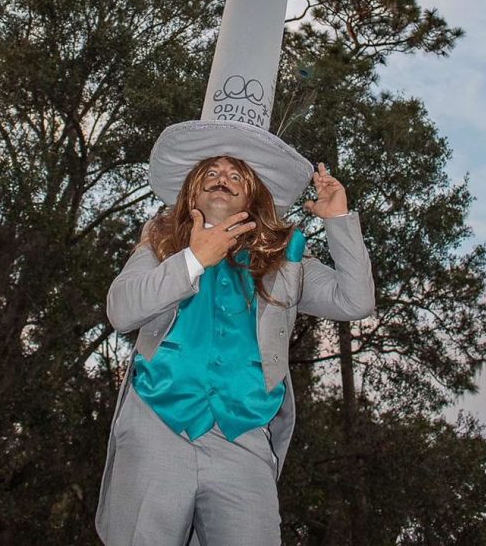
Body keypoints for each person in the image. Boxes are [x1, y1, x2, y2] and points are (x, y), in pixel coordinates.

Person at [95, 153, 375, 546]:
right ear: (193, 191)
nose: (220, 178)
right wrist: (193, 260)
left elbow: (355, 301)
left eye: (234, 176)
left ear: (252, 199)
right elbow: (121, 311)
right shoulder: (160, 244)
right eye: (209, 173)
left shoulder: (282, 260)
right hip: (157, 426)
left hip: (243, 437)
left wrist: (338, 220)